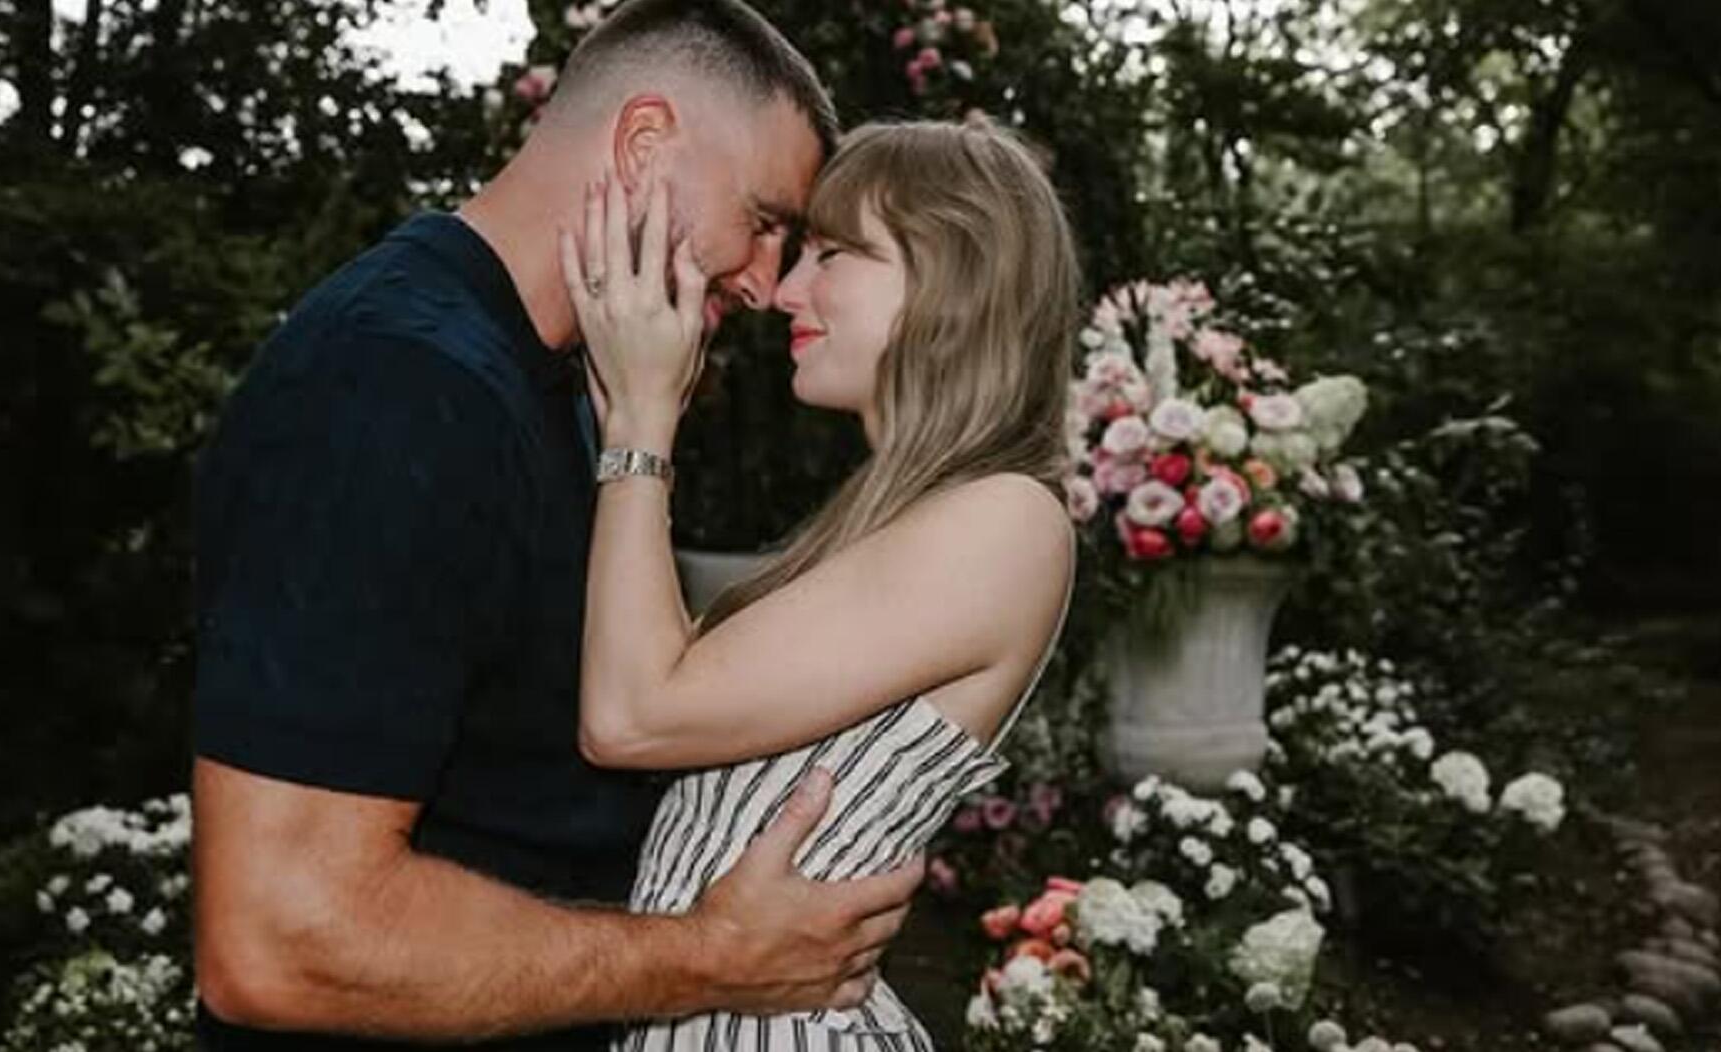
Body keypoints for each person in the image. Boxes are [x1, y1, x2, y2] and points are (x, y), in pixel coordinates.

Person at [188, 2, 924, 1049]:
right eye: (764, 223)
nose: (768, 285)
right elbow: (279, 937)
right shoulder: (397, 384)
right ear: (643, 143)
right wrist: (710, 957)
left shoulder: (557, 385)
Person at [562, 118, 1084, 1050]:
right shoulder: (901, 520)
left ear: (952, 277)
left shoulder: (1006, 519)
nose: (786, 290)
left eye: (834, 254)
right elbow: (661, 680)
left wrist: (640, 426)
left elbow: (631, 714)